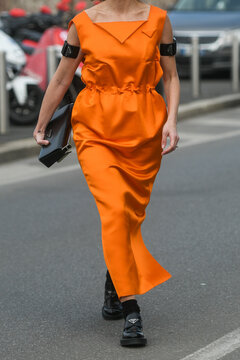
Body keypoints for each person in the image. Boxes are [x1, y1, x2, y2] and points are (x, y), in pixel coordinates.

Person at [33, 0, 180, 347]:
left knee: (130, 216)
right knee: (113, 211)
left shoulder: (159, 20)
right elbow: (62, 77)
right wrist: (43, 125)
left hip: (145, 130)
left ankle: (115, 280)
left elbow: (171, 76)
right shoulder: (81, 24)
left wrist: (172, 120)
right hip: (95, 130)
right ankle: (132, 310)